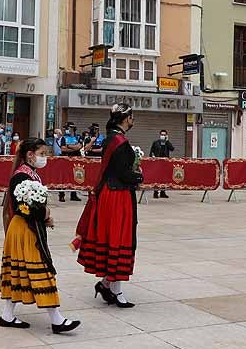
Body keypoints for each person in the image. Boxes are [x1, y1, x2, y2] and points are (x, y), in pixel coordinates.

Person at [0, 138, 80, 334]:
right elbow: (22, 208)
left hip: (25, 229)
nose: (45, 158)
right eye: (42, 154)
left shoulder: (30, 174)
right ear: (30, 155)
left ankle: (7, 315)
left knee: (19, 272)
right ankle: (56, 319)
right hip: (25, 230)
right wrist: (45, 215)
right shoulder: (21, 177)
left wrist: (43, 216)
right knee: (42, 271)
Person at [75, 103, 142, 308]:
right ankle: (115, 290)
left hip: (111, 194)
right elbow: (122, 173)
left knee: (115, 238)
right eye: (131, 116)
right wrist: (139, 176)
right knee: (119, 238)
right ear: (125, 118)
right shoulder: (119, 141)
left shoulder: (111, 138)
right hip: (117, 196)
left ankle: (107, 285)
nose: (133, 120)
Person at [59, 123, 83, 202]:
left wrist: (69, 146)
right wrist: (74, 148)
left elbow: (79, 146)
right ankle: (61, 195)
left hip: (75, 160)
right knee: (63, 177)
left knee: (75, 177)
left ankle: (74, 195)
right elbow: (63, 149)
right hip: (65, 159)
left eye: (67, 128)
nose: (66, 130)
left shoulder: (78, 137)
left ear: (72, 129)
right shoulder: (63, 138)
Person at [149, 129, 175, 198]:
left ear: (166, 136)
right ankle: (155, 192)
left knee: (164, 178)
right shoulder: (156, 142)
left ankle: (163, 192)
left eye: (164, 135)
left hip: (165, 163)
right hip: (157, 163)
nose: (163, 136)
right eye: (162, 135)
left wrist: (167, 141)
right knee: (156, 178)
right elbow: (151, 152)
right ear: (159, 135)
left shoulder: (167, 143)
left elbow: (172, 149)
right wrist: (152, 158)